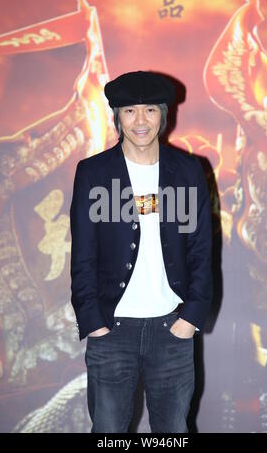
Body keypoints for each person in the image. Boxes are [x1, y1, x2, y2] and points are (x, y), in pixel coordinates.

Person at [70, 70, 212, 433]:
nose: (140, 121)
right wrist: (93, 322)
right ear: (116, 117)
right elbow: (82, 255)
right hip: (112, 329)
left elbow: (200, 251)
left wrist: (191, 318)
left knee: (172, 434)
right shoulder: (93, 173)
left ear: (164, 115)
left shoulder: (188, 170)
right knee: (109, 434)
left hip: (172, 327)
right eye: (130, 111)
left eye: (149, 110)